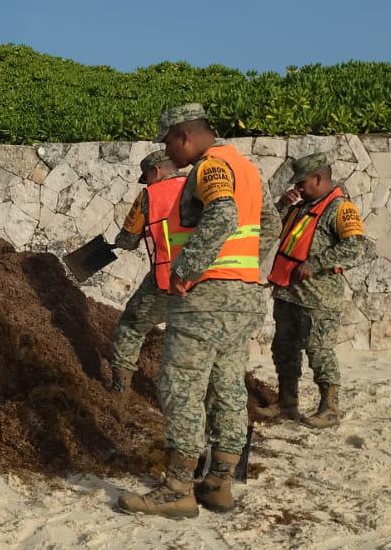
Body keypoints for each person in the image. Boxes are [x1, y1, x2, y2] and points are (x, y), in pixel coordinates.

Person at [117, 105, 281, 518]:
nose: (168, 153)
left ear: (184, 135)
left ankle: (177, 490)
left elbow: (223, 214)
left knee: (181, 387)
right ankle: (219, 483)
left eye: (168, 143)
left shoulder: (209, 167)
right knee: (227, 386)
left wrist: (187, 270)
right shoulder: (246, 168)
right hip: (243, 294)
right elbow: (270, 224)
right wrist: (244, 267)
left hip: (206, 296)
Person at [257, 152, 373, 427]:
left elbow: (354, 247)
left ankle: (329, 408)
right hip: (288, 291)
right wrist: (283, 205)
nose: (297, 188)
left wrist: (318, 262)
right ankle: (287, 403)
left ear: (319, 178)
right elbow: (273, 228)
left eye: (302, 182)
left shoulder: (340, 209)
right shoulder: (300, 205)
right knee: (284, 348)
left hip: (317, 297)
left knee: (319, 350)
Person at [107, 150, 187, 393]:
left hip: (167, 281)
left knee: (131, 326)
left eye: (148, 176)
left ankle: (119, 391)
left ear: (157, 170)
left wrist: (120, 241)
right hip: (207, 280)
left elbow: (130, 239)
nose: (148, 181)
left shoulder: (149, 196)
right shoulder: (198, 186)